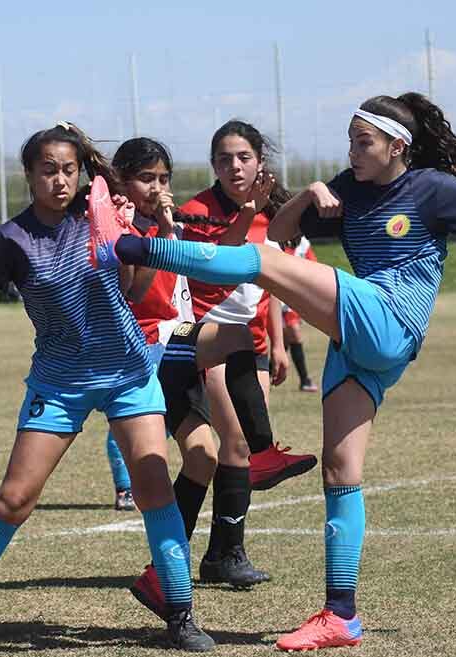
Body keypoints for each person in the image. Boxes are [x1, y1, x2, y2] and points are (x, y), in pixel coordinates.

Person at [88, 93, 456, 651]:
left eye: (364, 142)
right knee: (341, 470)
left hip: (389, 316)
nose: (353, 152)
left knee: (259, 264)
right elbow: (280, 233)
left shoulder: (432, 188)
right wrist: (309, 195)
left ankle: (125, 244)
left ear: (396, 146)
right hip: (360, 344)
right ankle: (342, 615)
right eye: (351, 141)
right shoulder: (348, 185)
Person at [0, 123, 215, 655]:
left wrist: (137, 236)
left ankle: (180, 615)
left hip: (129, 374)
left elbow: (134, 289)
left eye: (69, 169)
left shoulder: (101, 218)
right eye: (48, 170)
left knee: (155, 489)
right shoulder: (10, 240)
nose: (60, 180)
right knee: (14, 498)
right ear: (29, 175)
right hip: (60, 382)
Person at [102, 137, 317, 610]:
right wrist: (159, 227)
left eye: (163, 179)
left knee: (202, 458)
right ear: (121, 181)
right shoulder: (118, 226)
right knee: (237, 338)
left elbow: (210, 273)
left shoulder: (163, 225)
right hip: (146, 351)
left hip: (175, 347)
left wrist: (243, 214)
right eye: (146, 179)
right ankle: (261, 455)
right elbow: (134, 295)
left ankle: (162, 573)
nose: (157, 188)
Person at [176, 120, 305, 586]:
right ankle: (208, 556)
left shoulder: (275, 214)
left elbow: (267, 284)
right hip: (207, 337)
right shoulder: (196, 211)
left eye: (244, 157)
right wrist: (244, 217)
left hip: (251, 344)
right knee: (233, 444)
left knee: (245, 451)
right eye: (225, 158)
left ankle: (224, 554)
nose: (234, 166)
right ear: (213, 165)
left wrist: (277, 342)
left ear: (259, 162)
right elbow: (208, 276)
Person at [281, 238, 320, 393]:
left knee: (286, 340)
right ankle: (305, 380)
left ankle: (269, 371)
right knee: (294, 334)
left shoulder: (303, 243)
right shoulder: (277, 239)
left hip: (294, 299)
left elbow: (314, 267)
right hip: (279, 297)